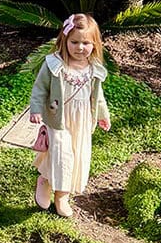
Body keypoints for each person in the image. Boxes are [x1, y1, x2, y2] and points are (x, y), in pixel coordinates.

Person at [29, 12, 111, 218]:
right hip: (59, 120)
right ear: (64, 41)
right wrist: (36, 109)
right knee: (61, 155)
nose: (80, 47)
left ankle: (60, 194)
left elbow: (98, 96)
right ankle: (50, 186)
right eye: (74, 42)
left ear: (94, 44)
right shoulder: (54, 65)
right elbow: (40, 89)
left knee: (76, 156)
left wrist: (103, 115)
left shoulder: (93, 69)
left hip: (82, 121)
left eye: (86, 43)